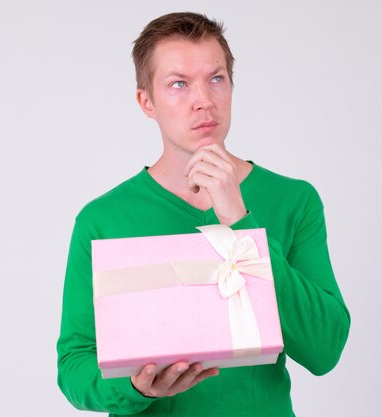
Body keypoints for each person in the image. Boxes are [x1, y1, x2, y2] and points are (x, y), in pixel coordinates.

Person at [57, 12, 350, 416]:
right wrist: (135, 388)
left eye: (216, 79)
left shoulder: (293, 200)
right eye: (179, 84)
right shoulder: (102, 220)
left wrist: (240, 222)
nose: (204, 101)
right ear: (147, 102)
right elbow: (74, 365)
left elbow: (325, 348)